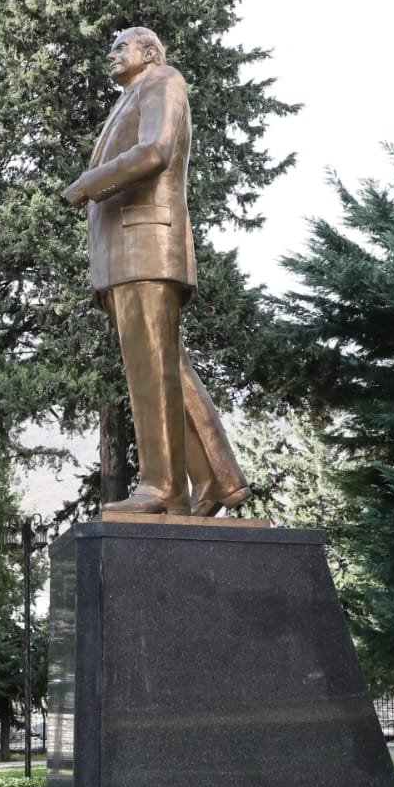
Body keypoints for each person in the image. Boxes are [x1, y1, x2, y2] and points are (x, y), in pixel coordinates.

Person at [65, 26, 249, 517]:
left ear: (149, 53)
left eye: (120, 46)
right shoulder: (129, 97)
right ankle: (218, 480)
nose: (111, 53)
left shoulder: (163, 80)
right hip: (125, 254)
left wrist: (89, 182)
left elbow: (155, 151)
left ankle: (162, 488)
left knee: (152, 367)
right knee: (166, 367)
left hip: (147, 244)